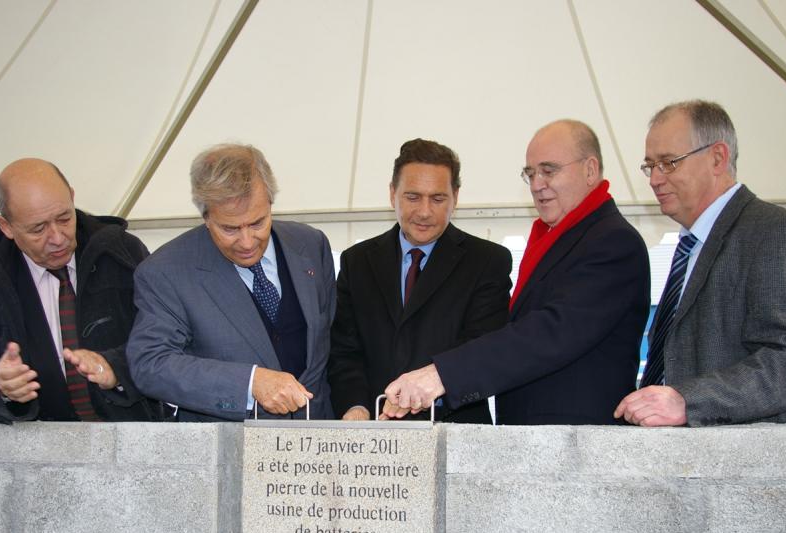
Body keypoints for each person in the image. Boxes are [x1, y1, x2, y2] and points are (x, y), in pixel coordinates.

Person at [381, 120, 650, 424]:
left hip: (578, 447)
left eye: (549, 171)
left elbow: (550, 332)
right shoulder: (559, 238)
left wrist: (441, 375)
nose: (537, 184)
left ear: (590, 169)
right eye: (530, 173)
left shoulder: (612, 242)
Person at [615, 100, 786, 427]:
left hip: (752, 469)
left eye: (669, 163)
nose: (655, 179)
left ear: (717, 157)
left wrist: (688, 401)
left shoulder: (777, 232)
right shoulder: (690, 246)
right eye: (650, 166)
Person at [0, 158, 164, 423]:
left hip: (132, 441)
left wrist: (116, 368)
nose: (57, 238)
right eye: (38, 229)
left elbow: (164, 338)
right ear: (6, 226)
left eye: (64, 218)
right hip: (35, 453)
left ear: (71, 197)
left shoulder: (121, 251)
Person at [127, 143, 336, 421]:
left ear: (271, 204)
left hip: (316, 443)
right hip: (228, 450)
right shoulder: (165, 271)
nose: (247, 241)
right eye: (229, 228)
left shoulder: (311, 245)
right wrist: (250, 383)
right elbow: (150, 364)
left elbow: (329, 343)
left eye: (258, 222)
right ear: (206, 217)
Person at [328, 138, 512, 423]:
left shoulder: (488, 262)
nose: (425, 211)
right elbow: (344, 351)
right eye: (412, 197)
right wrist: (356, 407)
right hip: (374, 435)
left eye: (438, 199)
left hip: (455, 433)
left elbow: (483, 352)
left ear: (456, 197)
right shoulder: (357, 262)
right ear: (392, 194)